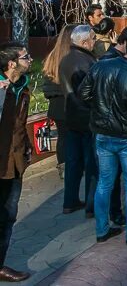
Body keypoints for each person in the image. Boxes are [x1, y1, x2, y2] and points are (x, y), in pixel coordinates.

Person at [79, 29, 127, 246]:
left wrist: (100, 111)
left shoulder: (101, 65)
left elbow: (83, 93)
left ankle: (102, 229)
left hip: (104, 133)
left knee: (105, 182)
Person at [57, 26, 99, 217]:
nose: (95, 41)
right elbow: (89, 92)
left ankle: (70, 200)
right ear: (84, 42)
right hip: (87, 118)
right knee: (92, 164)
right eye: (92, 38)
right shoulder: (86, 61)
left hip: (71, 117)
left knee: (73, 162)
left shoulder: (66, 59)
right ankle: (91, 205)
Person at [0, 43, 32, 281]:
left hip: (15, 161)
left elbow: (19, 125)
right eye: (25, 57)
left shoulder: (21, 86)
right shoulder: (2, 89)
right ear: (11, 64)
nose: (29, 60)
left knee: (9, 214)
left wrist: (27, 147)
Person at [41, 25, 74, 185]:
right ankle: (74, 165)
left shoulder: (53, 56)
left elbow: (46, 83)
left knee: (63, 137)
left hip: (56, 104)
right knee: (74, 136)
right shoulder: (72, 57)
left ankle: (64, 167)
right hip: (69, 103)